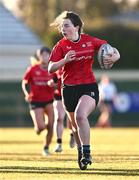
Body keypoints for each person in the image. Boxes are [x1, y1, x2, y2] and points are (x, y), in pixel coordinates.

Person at [48, 11, 120, 170]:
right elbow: (50, 68)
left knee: (81, 116)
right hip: (68, 89)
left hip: (88, 86)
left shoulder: (89, 40)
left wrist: (116, 56)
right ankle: (81, 151)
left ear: (77, 27)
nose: (63, 29)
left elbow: (110, 48)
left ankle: (87, 151)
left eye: (66, 25)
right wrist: (64, 60)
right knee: (74, 126)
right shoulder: (60, 46)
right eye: (62, 26)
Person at [22, 46, 56, 156]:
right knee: (41, 127)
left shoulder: (53, 69)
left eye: (47, 55)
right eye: (42, 55)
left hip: (49, 101)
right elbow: (25, 83)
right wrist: (27, 94)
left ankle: (46, 148)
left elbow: (58, 83)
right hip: (36, 101)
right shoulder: (33, 69)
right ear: (39, 56)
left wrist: (54, 84)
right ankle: (39, 128)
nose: (45, 57)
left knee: (51, 125)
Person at [53, 69, 75, 153]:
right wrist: (52, 83)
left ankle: (73, 134)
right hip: (59, 96)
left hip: (71, 95)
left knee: (71, 120)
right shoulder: (57, 66)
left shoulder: (73, 64)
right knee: (59, 118)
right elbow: (53, 80)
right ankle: (59, 143)